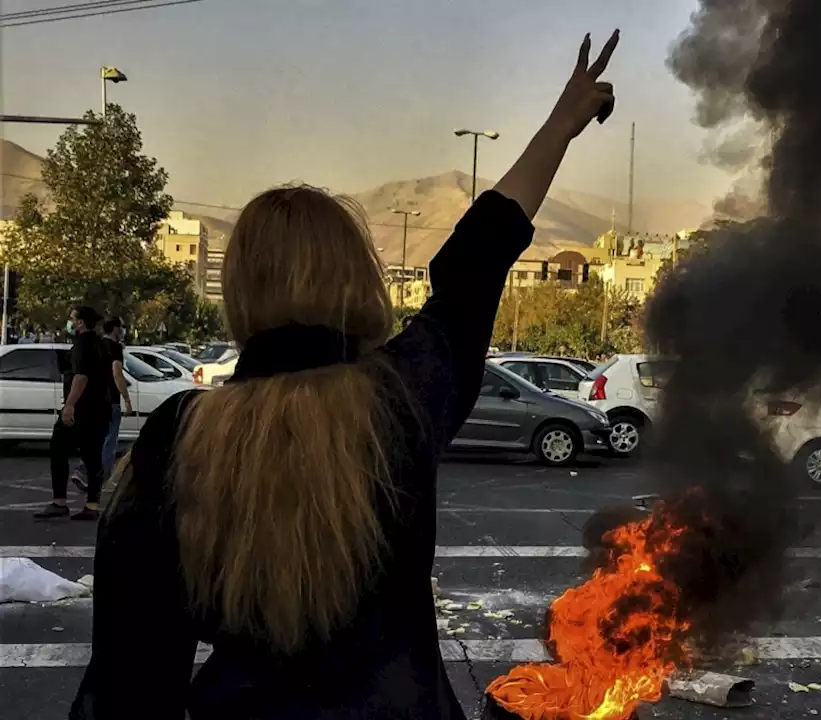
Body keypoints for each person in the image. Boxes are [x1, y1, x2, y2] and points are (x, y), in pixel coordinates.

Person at [70, 30, 619, 720]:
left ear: (241, 291)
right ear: (357, 277)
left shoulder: (178, 436)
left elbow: (129, 680)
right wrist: (560, 127)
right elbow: (474, 265)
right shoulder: (400, 398)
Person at [34, 306, 113, 521]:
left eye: (72, 319)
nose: (69, 322)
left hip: (83, 408)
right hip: (101, 408)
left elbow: (81, 377)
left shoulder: (82, 345)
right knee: (93, 456)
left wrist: (69, 406)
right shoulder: (101, 344)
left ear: (80, 323)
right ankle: (92, 505)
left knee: (58, 449)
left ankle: (60, 502)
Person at [71, 318, 132, 491]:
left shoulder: (96, 344)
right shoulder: (114, 348)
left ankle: (83, 470)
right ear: (114, 329)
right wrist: (126, 399)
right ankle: (99, 479)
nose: (122, 331)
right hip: (110, 400)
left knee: (95, 439)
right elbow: (116, 372)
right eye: (120, 328)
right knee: (109, 441)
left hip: (93, 399)